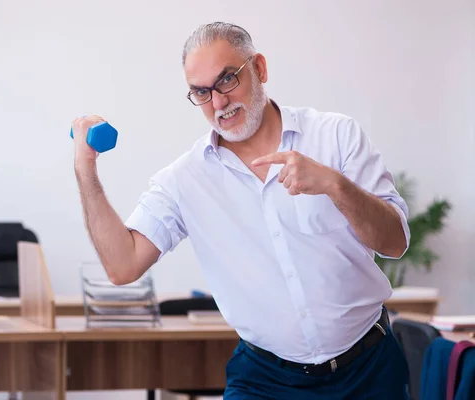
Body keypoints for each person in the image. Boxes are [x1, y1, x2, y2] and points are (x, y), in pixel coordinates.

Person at [72, 22, 411, 399]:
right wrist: (85, 168)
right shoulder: (185, 179)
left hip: (369, 369)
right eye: (202, 92)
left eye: (227, 80)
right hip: (266, 380)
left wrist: (335, 185)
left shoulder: (336, 135)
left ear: (260, 69)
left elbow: (394, 242)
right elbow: (123, 266)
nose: (218, 103)